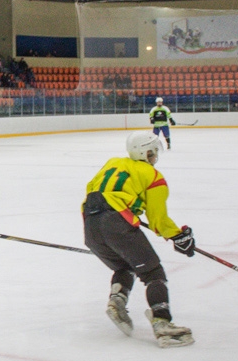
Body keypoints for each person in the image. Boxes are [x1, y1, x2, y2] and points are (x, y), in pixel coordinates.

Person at [82, 131, 195, 348]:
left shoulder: (113, 163)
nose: (155, 156)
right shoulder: (152, 176)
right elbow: (158, 219)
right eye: (153, 151)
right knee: (153, 273)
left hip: (90, 224)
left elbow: (92, 191)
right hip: (117, 223)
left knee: (125, 266)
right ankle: (162, 323)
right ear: (147, 153)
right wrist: (178, 236)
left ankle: (117, 302)